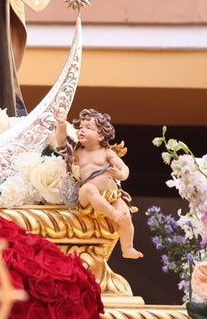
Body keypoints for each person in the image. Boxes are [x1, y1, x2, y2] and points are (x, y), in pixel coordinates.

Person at [54, 107, 142, 260]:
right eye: (80, 127)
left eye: (88, 128)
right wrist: (61, 125)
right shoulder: (78, 151)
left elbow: (125, 169)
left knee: (126, 216)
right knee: (88, 188)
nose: (82, 130)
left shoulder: (107, 152)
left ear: (101, 135)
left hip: (111, 195)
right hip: (87, 197)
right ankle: (112, 214)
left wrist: (120, 174)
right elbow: (61, 144)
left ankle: (127, 247)